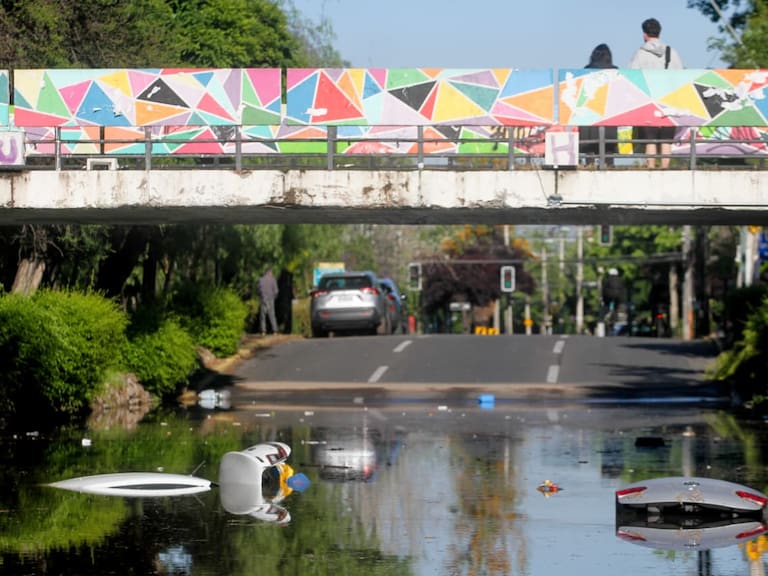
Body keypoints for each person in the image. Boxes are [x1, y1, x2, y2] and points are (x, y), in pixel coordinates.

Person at [628, 18, 684, 169]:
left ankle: (651, 168)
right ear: (659, 32)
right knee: (666, 139)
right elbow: (681, 76)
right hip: (669, 101)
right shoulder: (672, 52)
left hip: (648, 101)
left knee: (650, 139)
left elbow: (632, 78)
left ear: (644, 34)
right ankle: (665, 168)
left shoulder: (640, 54)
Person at [579, 44, 618, 167]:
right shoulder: (615, 71)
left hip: (589, 113)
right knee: (608, 148)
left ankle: (589, 166)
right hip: (609, 114)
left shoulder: (586, 70)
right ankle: (609, 167)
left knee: (589, 147)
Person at [258, 266, 279, 335]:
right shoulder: (273, 280)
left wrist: (261, 296)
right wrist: (274, 297)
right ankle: (274, 331)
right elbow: (276, 291)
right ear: (270, 272)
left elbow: (258, 290)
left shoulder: (261, 280)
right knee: (272, 315)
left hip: (263, 299)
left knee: (263, 316)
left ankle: (263, 331)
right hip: (270, 299)